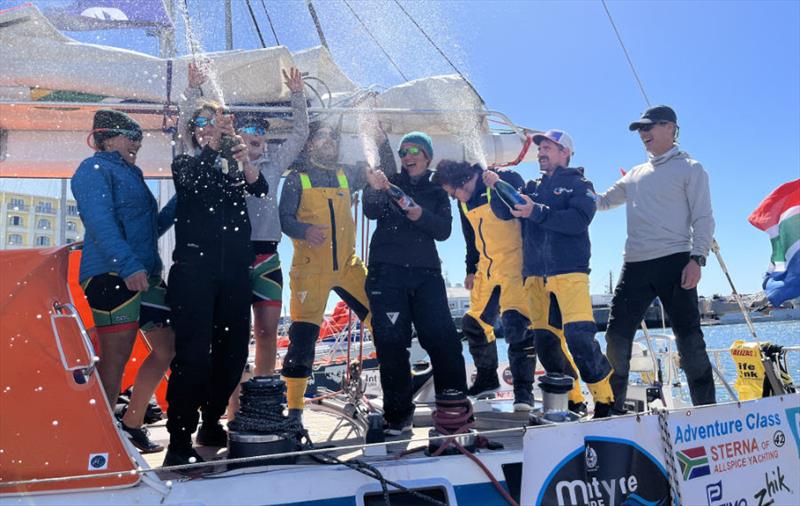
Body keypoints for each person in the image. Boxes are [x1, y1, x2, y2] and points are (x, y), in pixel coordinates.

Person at [164, 102, 269, 466]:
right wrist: (212, 145)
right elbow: (190, 181)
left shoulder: (231, 169)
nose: (210, 128)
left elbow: (261, 188)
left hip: (234, 273)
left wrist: (243, 159)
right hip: (194, 272)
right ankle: (179, 439)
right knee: (192, 358)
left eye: (217, 123)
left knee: (233, 355)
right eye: (203, 124)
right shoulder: (186, 163)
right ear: (194, 132)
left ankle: (211, 421)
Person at [484, 129, 615, 418]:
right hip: (534, 277)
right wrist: (495, 186)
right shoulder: (531, 186)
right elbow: (506, 212)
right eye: (540, 147)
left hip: (570, 274)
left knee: (580, 338)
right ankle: (573, 399)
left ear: (565, 152)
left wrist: (536, 212)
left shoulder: (581, 185)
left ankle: (606, 400)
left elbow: (578, 220)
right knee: (546, 343)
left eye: (547, 147)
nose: (541, 152)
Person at [595, 105, 716, 411]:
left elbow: (704, 218)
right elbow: (604, 202)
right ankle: (612, 410)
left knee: (690, 342)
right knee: (616, 339)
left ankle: (707, 411)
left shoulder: (691, 168)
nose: (643, 134)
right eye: (640, 130)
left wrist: (697, 258)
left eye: (648, 127)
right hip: (635, 265)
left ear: (671, 128)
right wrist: (573, 188)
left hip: (676, 261)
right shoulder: (635, 175)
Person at [71, 109, 176, 453]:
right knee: (114, 362)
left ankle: (130, 425)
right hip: (111, 274)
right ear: (108, 138)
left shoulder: (132, 173)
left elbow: (148, 230)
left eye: (140, 139)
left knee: (168, 348)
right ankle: (97, 441)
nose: (138, 144)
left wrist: (181, 200)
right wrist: (129, 265)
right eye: (132, 137)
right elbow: (99, 224)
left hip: (141, 275)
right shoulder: (93, 169)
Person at [279, 121, 391, 425]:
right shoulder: (295, 180)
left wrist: (380, 141)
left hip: (348, 266)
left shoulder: (347, 173)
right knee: (303, 339)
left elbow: (381, 172)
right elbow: (284, 220)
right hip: (309, 271)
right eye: (321, 136)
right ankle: (294, 410)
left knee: (381, 320)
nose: (328, 141)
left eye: (332, 136)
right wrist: (305, 230)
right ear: (310, 143)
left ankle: (395, 386)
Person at [364, 132, 469, 435]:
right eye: (403, 151)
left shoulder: (437, 188)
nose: (407, 156)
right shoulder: (387, 179)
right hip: (386, 274)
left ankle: (453, 409)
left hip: (426, 275)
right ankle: (397, 417)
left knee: (443, 339)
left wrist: (420, 214)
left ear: (427, 156)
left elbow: (444, 230)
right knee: (391, 344)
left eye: (413, 151)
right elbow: (371, 210)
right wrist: (372, 189)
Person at [431, 160, 536, 410]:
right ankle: (487, 377)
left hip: (516, 264)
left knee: (516, 324)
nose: (454, 196)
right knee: (474, 323)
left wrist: (499, 183)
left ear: (465, 179)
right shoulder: (463, 201)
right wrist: (470, 269)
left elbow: (525, 210)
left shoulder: (502, 179)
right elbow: (470, 238)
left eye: (452, 190)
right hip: (487, 269)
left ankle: (524, 392)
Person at [240, 68, 308, 378]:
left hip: (268, 257)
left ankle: (262, 395)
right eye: (249, 128)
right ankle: (234, 405)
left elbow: (300, 134)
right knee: (234, 337)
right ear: (238, 135)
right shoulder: (224, 164)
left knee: (267, 335)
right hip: (233, 259)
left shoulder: (275, 162)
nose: (256, 134)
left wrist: (297, 95)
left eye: (261, 129)